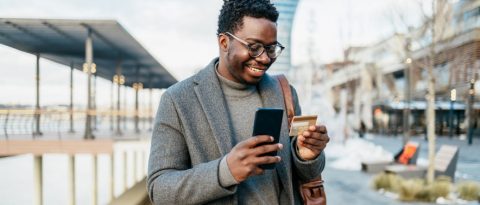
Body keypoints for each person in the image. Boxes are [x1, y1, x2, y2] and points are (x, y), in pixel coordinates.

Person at [147, 0, 329, 204]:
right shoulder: (178, 100)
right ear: (224, 42)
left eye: (271, 49)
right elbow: (159, 190)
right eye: (254, 47)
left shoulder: (285, 92)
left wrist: (306, 155)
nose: (265, 58)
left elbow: (303, 173)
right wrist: (226, 171)